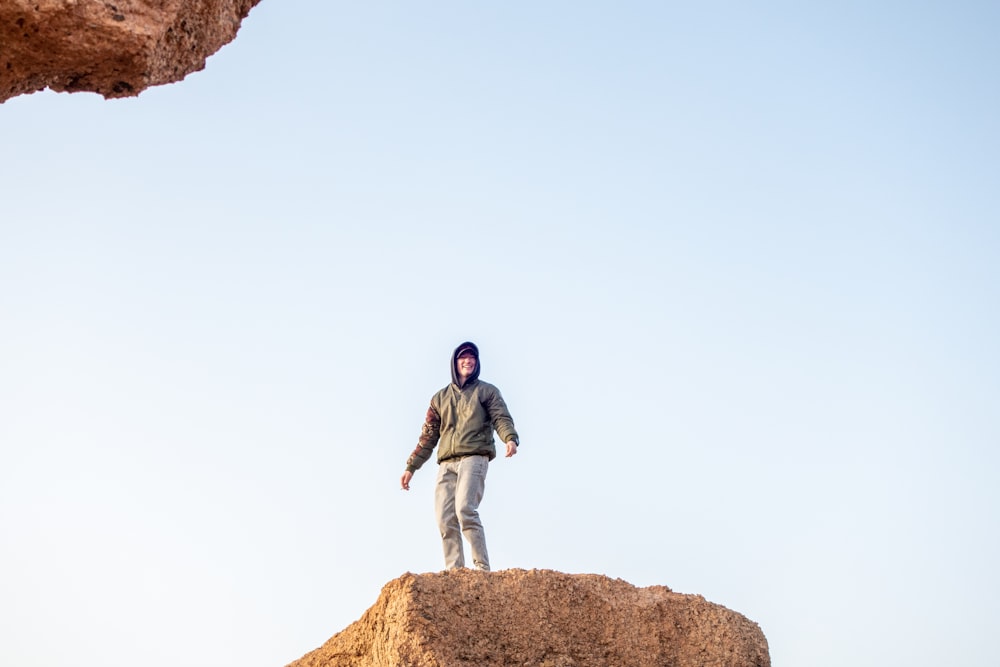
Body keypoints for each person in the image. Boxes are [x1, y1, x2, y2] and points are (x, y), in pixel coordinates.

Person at [400, 341, 520, 571]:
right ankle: (455, 572)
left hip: (474, 457)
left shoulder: (487, 392)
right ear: (455, 363)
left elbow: (501, 418)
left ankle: (482, 567)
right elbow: (427, 437)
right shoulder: (439, 399)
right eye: (463, 357)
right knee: (445, 518)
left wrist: (510, 439)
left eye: (472, 357)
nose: (468, 361)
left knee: (465, 509)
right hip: (447, 463)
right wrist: (411, 467)